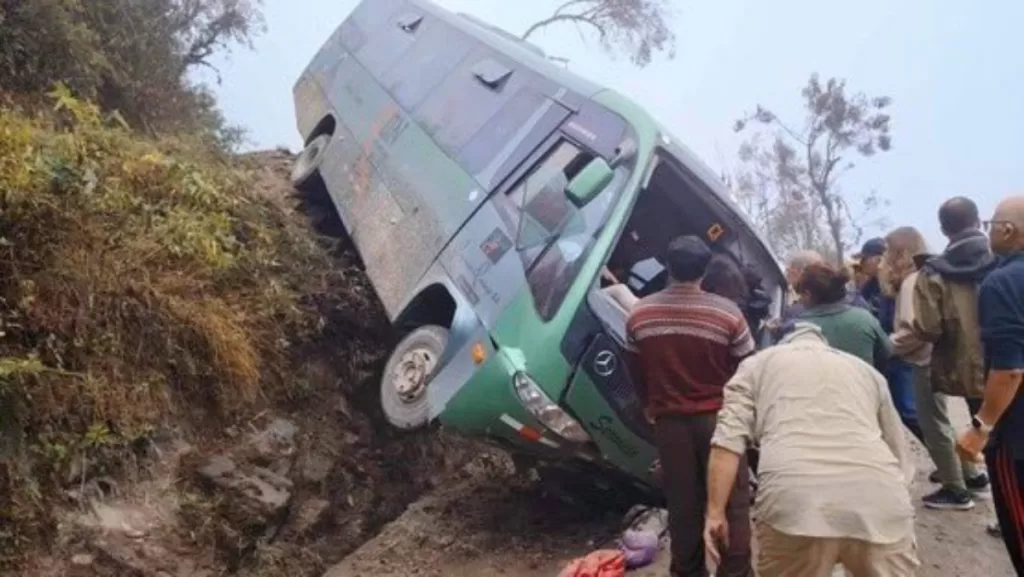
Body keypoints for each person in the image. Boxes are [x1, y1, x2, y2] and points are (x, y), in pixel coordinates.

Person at [704, 322, 918, 577]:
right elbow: (900, 453)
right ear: (824, 342)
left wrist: (715, 513)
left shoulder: (756, 365)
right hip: (880, 500)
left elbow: (727, 442)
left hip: (795, 505)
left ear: (780, 342)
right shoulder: (865, 372)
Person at [625, 235, 754, 577]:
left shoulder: (640, 313)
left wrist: (650, 406)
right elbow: (747, 370)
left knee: (683, 505)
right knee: (732, 503)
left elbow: (635, 369)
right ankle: (735, 571)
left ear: (668, 266)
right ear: (705, 269)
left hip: (670, 424)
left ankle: (687, 571)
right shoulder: (728, 313)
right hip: (720, 422)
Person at [885, 226, 980, 509]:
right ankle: (971, 475)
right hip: (936, 358)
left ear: (900, 251)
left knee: (933, 425)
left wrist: (887, 346)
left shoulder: (913, 280)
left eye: (889, 251)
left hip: (923, 360)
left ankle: (956, 489)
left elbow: (916, 329)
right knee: (942, 422)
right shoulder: (932, 274)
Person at [957, 195, 1024, 574]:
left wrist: (980, 427)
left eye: (991, 225)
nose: (989, 231)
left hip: (1018, 440)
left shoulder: (1003, 282)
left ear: (1008, 230)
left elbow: (1011, 369)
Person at [913, 196, 994, 502]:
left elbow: (928, 328)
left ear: (944, 229)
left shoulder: (932, 272)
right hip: (1007, 362)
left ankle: (1006, 511)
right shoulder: (1006, 259)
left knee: (986, 437)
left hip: (965, 368)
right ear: (977, 222)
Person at [795, 263, 892, 371]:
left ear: (808, 294)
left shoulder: (798, 329)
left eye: (801, 295)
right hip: (861, 385)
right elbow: (888, 352)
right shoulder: (865, 318)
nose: (800, 300)